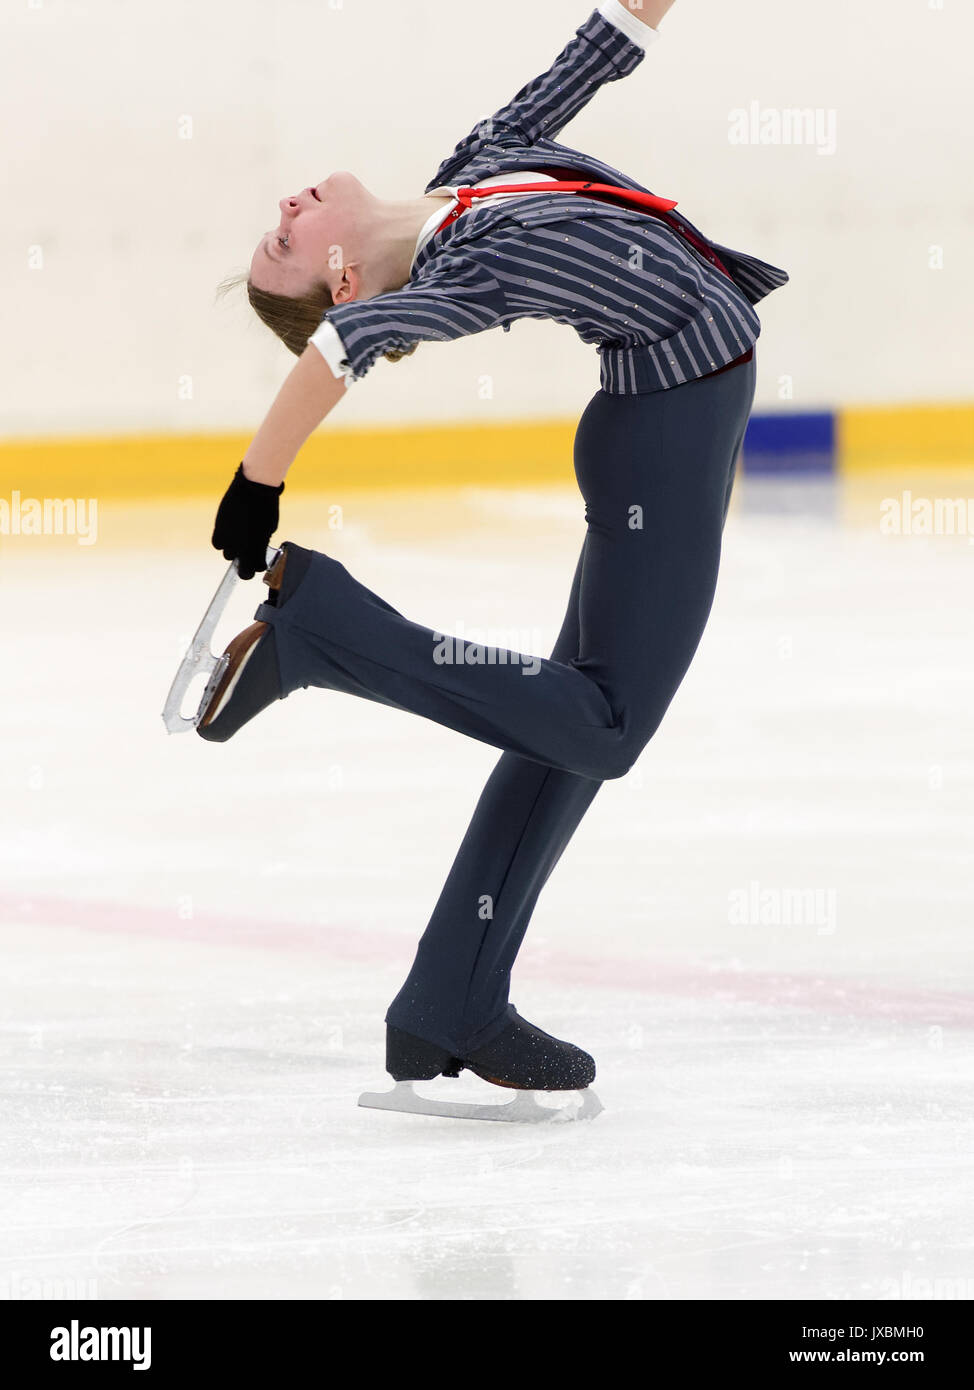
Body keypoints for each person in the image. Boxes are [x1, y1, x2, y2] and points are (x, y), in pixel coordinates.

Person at [202, 0, 788, 1096]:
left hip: (660, 427)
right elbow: (348, 344)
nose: (285, 205)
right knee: (602, 730)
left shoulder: (480, 164)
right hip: (661, 445)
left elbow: (596, 51)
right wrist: (257, 479)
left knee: (563, 727)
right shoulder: (459, 270)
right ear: (338, 277)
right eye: (285, 238)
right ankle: (323, 636)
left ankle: (447, 999)